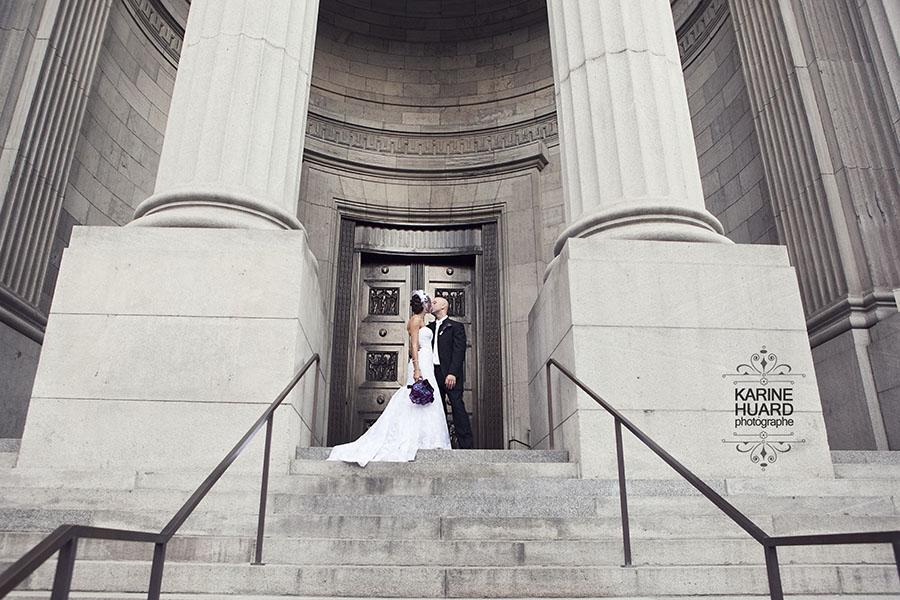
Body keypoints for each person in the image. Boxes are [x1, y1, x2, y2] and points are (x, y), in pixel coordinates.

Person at [327, 290, 451, 466]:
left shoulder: (423, 321)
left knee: (429, 399)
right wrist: (416, 368)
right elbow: (413, 346)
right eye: (429, 302)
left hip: (427, 362)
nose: (430, 305)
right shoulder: (415, 320)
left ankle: (427, 439)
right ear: (423, 305)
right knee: (418, 397)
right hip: (421, 363)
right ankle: (413, 439)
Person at [428, 296, 474, 449]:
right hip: (433, 373)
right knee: (437, 409)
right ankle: (440, 444)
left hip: (449, 374)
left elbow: (459, 351)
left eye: (434, 302)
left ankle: (466, 446)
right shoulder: (429, 328)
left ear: (443, 306)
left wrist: (452, 373)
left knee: (457, 406)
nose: (431, 304)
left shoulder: (456, 326)